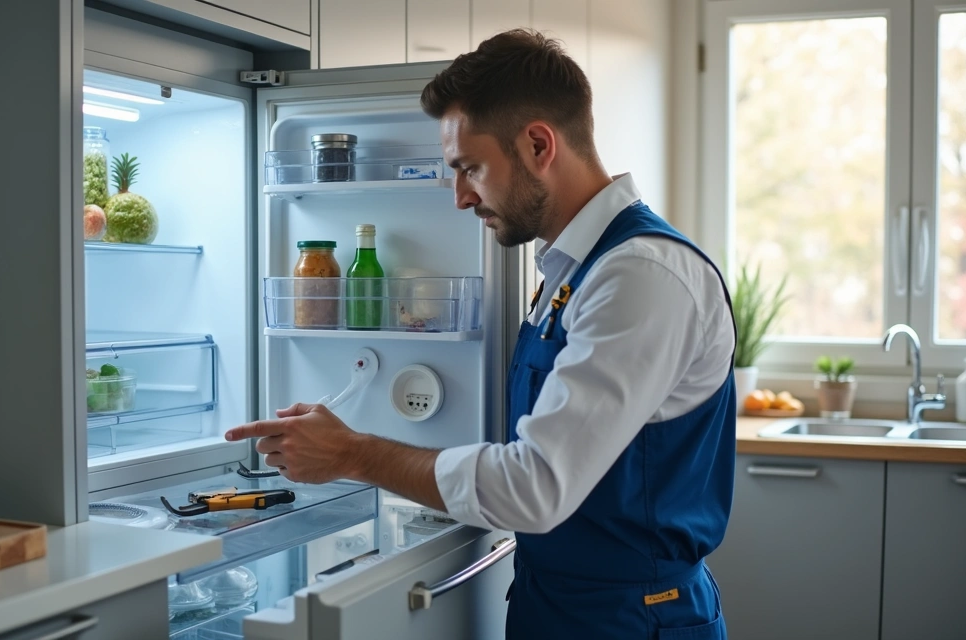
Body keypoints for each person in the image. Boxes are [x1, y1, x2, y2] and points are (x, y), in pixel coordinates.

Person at [226, 28, 736, 639]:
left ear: (539, 143)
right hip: (560, 602)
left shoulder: (640, 275)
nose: (461, 196)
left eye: (471, 168)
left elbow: (536, 487)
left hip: (633, 616)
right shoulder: (570, 270)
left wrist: (352, 453)